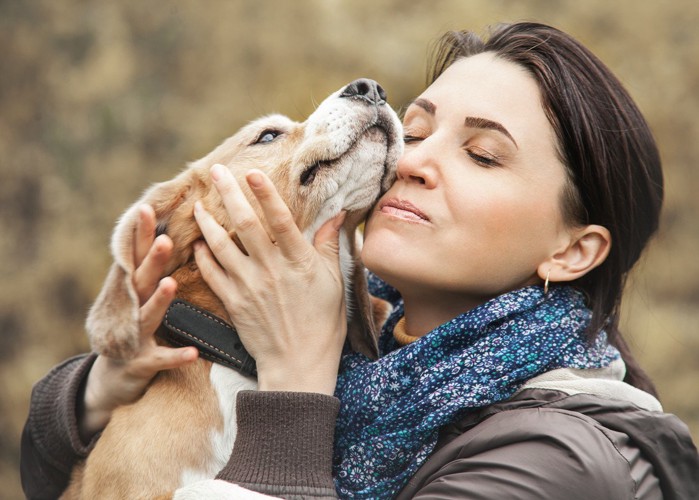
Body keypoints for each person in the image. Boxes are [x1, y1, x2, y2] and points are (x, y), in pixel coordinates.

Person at [21, 22, 699, 499]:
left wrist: (295, 384)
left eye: (483, 155)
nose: (416, 161)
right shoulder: (368, 359)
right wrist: (98, 390)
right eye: (417, 130)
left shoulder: (559, 464)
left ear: (572, 250)